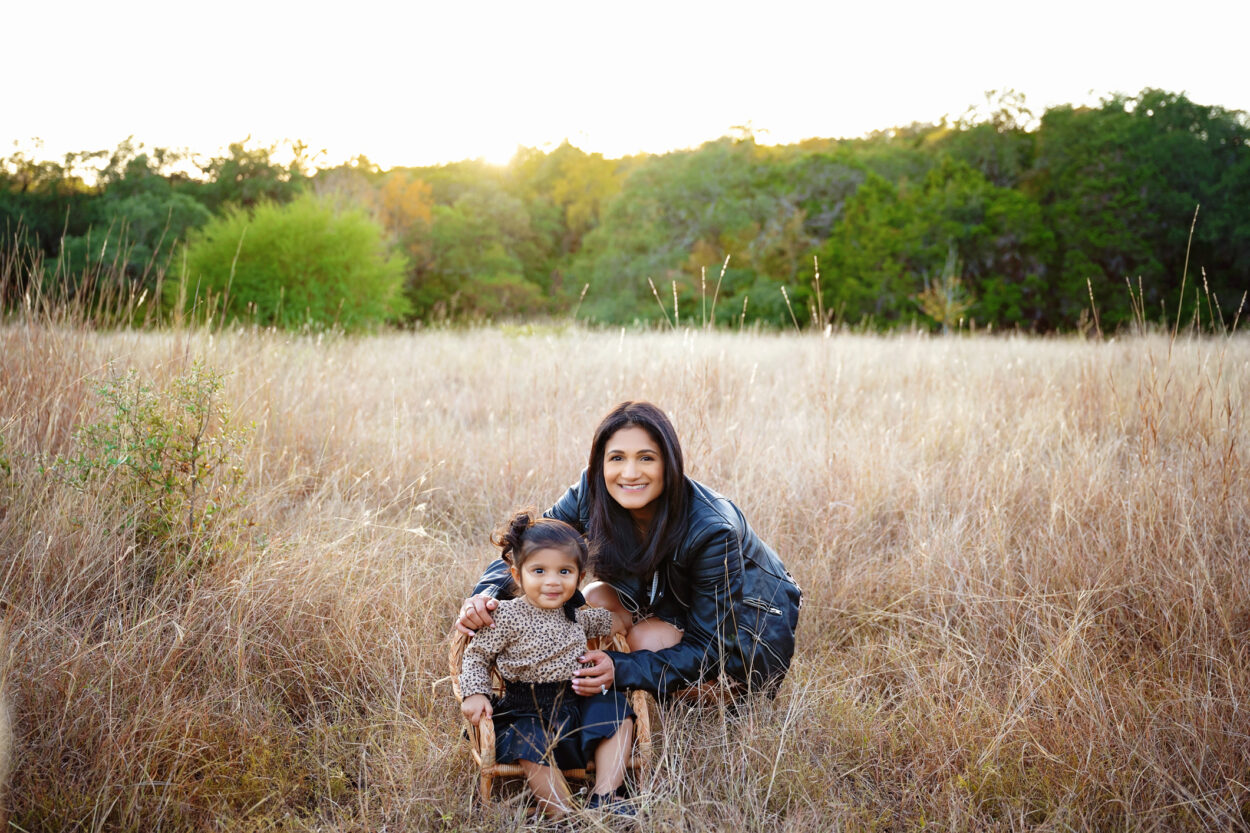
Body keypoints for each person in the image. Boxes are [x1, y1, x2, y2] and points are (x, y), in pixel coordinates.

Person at [456, 400, 802, 701]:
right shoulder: (591, 489)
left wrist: (619, 668)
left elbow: (711, 645)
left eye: (646, 458)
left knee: (645, 639)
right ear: (600, 462)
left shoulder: (712, 529)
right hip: (667, 602)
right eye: (617, 458)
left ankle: (675, 695)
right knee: (593, 598)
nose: (630, 473)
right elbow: (531, 550)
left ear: (669, 462)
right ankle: (588, 690)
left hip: (742, 636)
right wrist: (484, 597)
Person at [459, 510, 635, 818]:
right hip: (524, 708)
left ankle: (605, 797)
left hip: (575, 701)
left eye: (564, 572)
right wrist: (476, 692)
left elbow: (614, 622)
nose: (552, 582)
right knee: (529, 741)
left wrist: (623, 620)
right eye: (539, 571)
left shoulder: (578, 615)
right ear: (517, 575)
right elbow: (476, 656)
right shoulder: (505, 616)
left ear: (580, 578)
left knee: (618, 712)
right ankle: (561, 813)